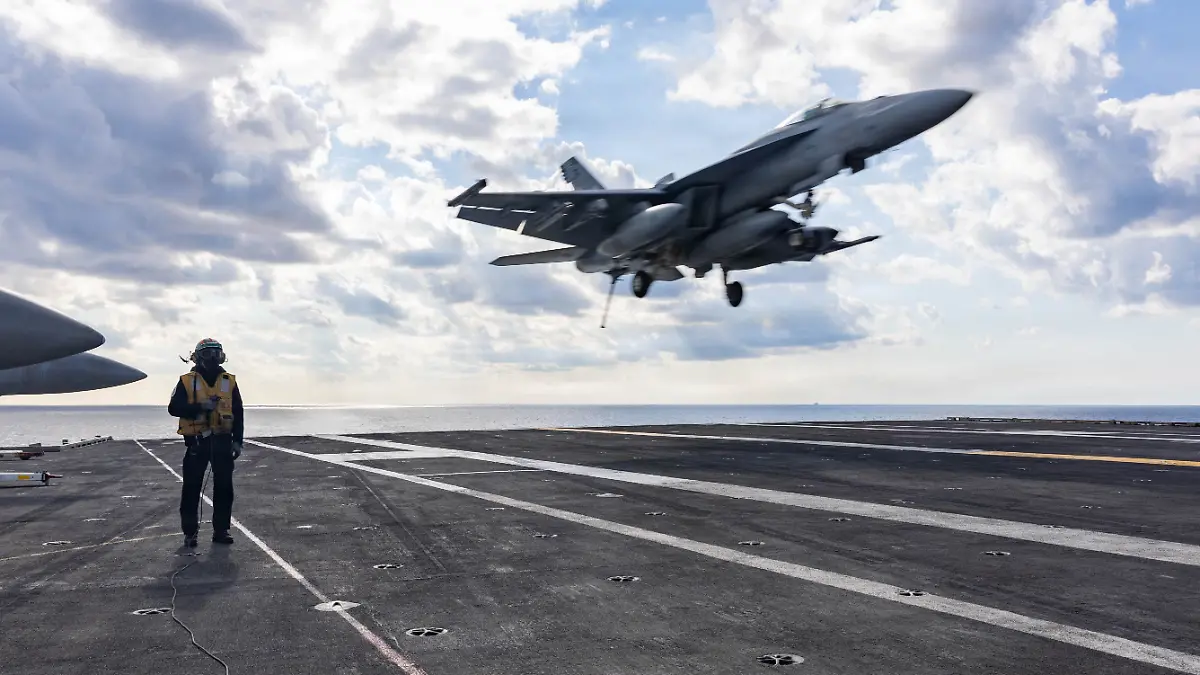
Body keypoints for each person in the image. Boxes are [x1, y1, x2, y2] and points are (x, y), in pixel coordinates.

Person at [168, 338, 243, 547]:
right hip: (197, 443)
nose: (212, 358)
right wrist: (201, 407)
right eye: (208, 354)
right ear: (198, 357)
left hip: (222, 443)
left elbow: (238, 411)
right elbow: (174, 408)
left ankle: (222, 531)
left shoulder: (229, 381)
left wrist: (238, 441)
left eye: (216, 354)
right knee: (191, 489)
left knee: (224, 489)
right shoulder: (186, 381)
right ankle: (190, 533)